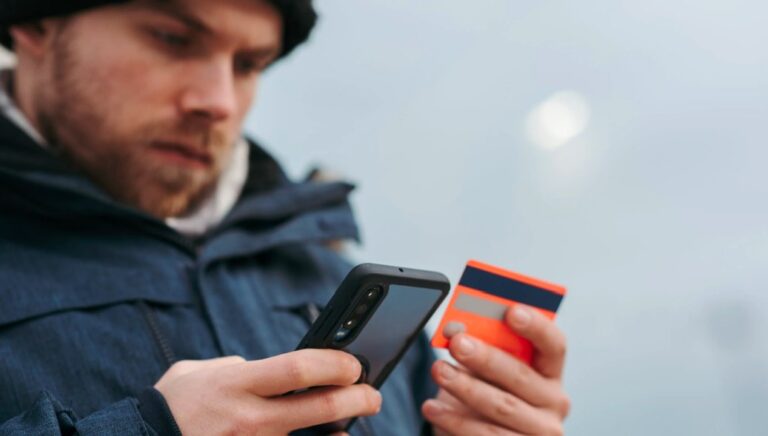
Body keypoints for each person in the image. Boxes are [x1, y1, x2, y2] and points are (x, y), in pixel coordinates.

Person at [0, 1, 570, 434]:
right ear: (37, 24)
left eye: (249, 64)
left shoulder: (323, 267)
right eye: (173, 39)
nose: (219, 101)